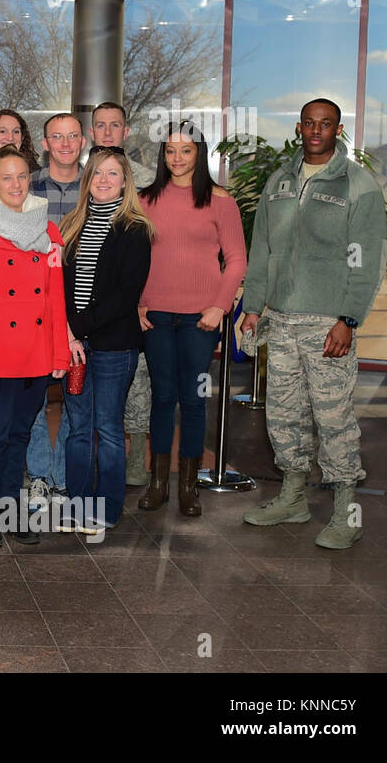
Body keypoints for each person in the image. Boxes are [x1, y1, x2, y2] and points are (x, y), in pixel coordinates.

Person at [240, 98, 387, 549]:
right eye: (309, 123)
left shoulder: (358, 185)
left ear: (338, 129)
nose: (316, 130)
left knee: (334, 419)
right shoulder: (279, 181)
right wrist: (253, 306)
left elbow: (365, 263)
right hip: (280, 321)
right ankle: (293, 498)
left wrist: (348, 319)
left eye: (326, 124)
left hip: (327, 326)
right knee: (283, 415)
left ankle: (348, 513)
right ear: (299, 127)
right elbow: (263, 248)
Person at [0, 145, 68, 547]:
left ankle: (9, 506)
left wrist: (59, 352)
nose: (16, 184)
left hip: (36, 351)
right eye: (7, 177)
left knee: (20, 433)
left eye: (22, 176)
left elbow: (56, 297)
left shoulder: (49, 231)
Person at [137, 121, 246, 516]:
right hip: (158, 316)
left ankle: (189, 485)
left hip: (203, 318)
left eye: (185, 150)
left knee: (195, 400)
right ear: (162, 155)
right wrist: (139, 303)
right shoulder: (145, 199)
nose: (177, 158)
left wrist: (220, 306)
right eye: (169, 151)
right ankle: (159, 482)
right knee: (163, 398)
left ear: (199, 153)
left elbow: (236, 260)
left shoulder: (221, 201)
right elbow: (135, 259)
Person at [59, 147, 153, 534]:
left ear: (125, 182)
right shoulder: (70, 225)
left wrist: (80, 328)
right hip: (73, 345)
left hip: (115, 345)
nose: (104, 180)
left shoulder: (135, 229)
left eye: (113, 174)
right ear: (87, 180)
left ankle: (106, 510)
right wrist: (67, 332)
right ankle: (76, 507)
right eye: (97, 173)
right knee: (79, 428)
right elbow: (58, 288)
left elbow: (126, 294)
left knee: (110, 429)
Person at [88, 100, 156, 486]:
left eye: (116, 125)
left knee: (136, 389)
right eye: (101, 125)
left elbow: (150, 244)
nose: (108, 132)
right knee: (83, 402)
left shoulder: (144, 179)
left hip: (130, 304)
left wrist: (143, 299)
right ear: (92, 131)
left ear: (126, 132)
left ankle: (134, 460)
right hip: (84, 313)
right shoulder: (86, 177)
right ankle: (87, 467)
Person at [24, 112, 85, 510]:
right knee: (30, 396)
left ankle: (64, 476)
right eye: (56, 136)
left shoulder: (98, 185)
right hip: (30, 305)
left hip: (83, 305)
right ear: (45, 143)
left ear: (84, 141)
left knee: (76, 395)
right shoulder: (24, 187)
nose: (65, 143)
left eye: (72, 136)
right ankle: (39, 474)